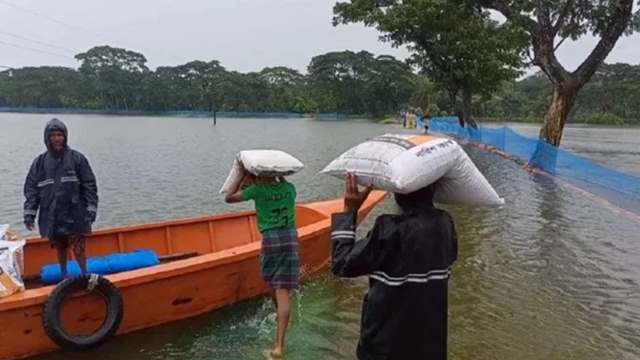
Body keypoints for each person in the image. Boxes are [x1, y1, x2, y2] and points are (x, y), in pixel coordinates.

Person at [331, 174, 458, 360]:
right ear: (433, 190)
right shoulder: (445, 224)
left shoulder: (389, 229)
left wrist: (349, 210)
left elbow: (342, 263)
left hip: (385, 346)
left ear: (398, 193)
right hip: (430, 345)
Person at [225, 167, 299, 358]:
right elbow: (281, 183)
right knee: (280, 287)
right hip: (290, 237)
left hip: (271, 238)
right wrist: (278, 174)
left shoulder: (257, 191)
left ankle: (279, 346)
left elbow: (229, 198)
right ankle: (283, 321)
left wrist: (241, 175)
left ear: (257, 175)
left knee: (275, 284)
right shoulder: (290, 188)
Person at [24, 118, 98, 279]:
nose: (56, 138)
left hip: (75, 212)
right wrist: (29, 213)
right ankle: (64, 276)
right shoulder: (39, 163)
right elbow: (31, 189)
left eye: (60, 135)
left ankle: (84, 274)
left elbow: (89, 185)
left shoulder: (77, 159)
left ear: (65, 137)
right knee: (60, 246)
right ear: (47, 138)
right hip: (52, 214)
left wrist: (91, 208)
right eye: (53, 135)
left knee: (78, 245)